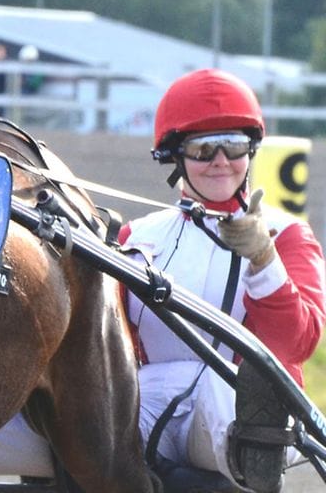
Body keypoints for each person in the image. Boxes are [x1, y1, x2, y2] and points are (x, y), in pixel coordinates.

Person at [119, 68, 326, 492]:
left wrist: (263, 259)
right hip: (151, 398)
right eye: (202, 148)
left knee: (217, 394)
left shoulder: (286, 235)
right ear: (175, 157)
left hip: (241, 410)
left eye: (232, 147)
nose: (220, 161)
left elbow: (297, 343)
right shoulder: (136, 237)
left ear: (250, 152)